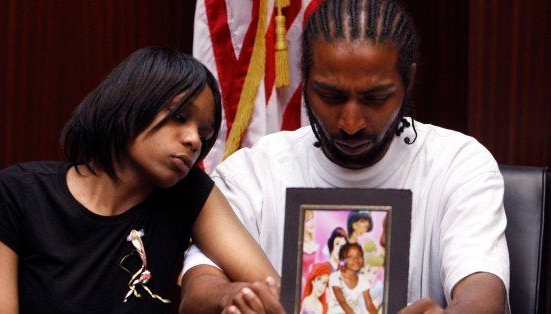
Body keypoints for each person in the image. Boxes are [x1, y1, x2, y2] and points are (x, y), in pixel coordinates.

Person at [180, 0, 509, 313]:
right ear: (305, 81)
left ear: (408, 81)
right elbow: (198, 289)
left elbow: (483, 289)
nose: (351, 123)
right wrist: (229, 297)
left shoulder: (459, 164)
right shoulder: (254, 170)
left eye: (375, 98)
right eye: (330, 96)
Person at [0, 46, 278, 313]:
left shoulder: (189, 193)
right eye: (180, 117)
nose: (194, 140)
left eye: (204, 134)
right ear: (131, 104)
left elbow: (273, 291)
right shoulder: (17, 193)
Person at [328, 243, 377, 314]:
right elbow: (342, 302)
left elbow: (369, 304)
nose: (356, 259)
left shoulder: (363, 281)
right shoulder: (335, 276)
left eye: (359, 256)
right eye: (350, 257)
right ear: (343, 260)